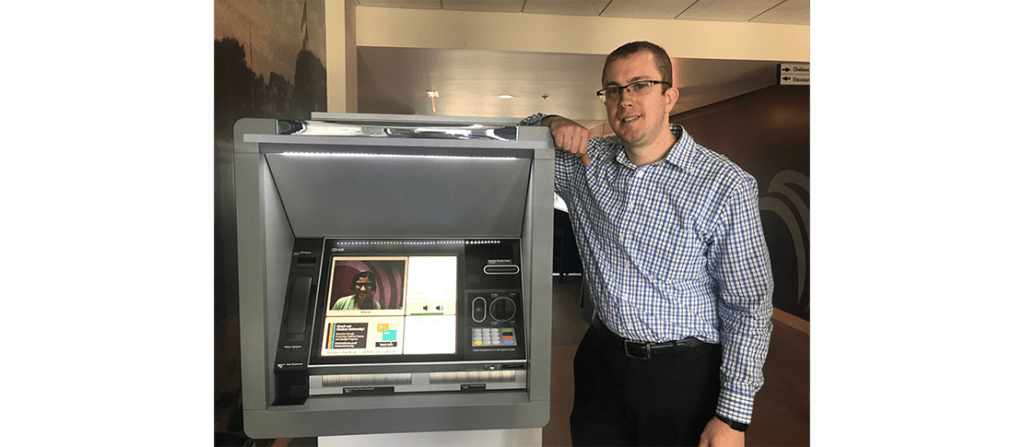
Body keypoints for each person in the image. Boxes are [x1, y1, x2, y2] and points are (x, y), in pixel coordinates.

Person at [520, 41, 773, 446]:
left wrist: (733, 416)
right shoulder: (586, 164)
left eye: (640, 85)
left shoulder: (725, 185)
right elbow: (519, 136)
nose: (625, 100)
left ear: (669, 96)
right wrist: (552, 119)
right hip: (601, 364)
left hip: (683, 377)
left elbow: (748, 305)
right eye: (613, 89)